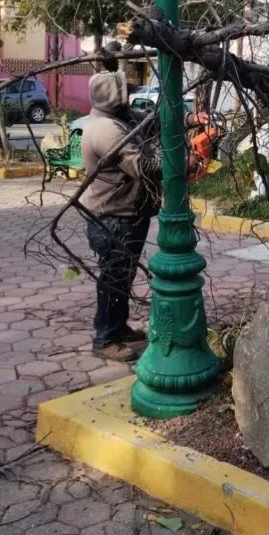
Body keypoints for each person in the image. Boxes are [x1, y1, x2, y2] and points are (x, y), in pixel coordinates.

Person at [80, 69, 201, 362]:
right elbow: (142, 165)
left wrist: (188, 121)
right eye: (124, 90)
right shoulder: (106, 129)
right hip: (113, 216)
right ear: (113, 97)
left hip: (125, 213)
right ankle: (105, 339)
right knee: (114, 277)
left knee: (123, 275)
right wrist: (182, 162)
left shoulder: (120, 117)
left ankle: (117, 329)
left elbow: (151, 124)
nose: (130, 94)